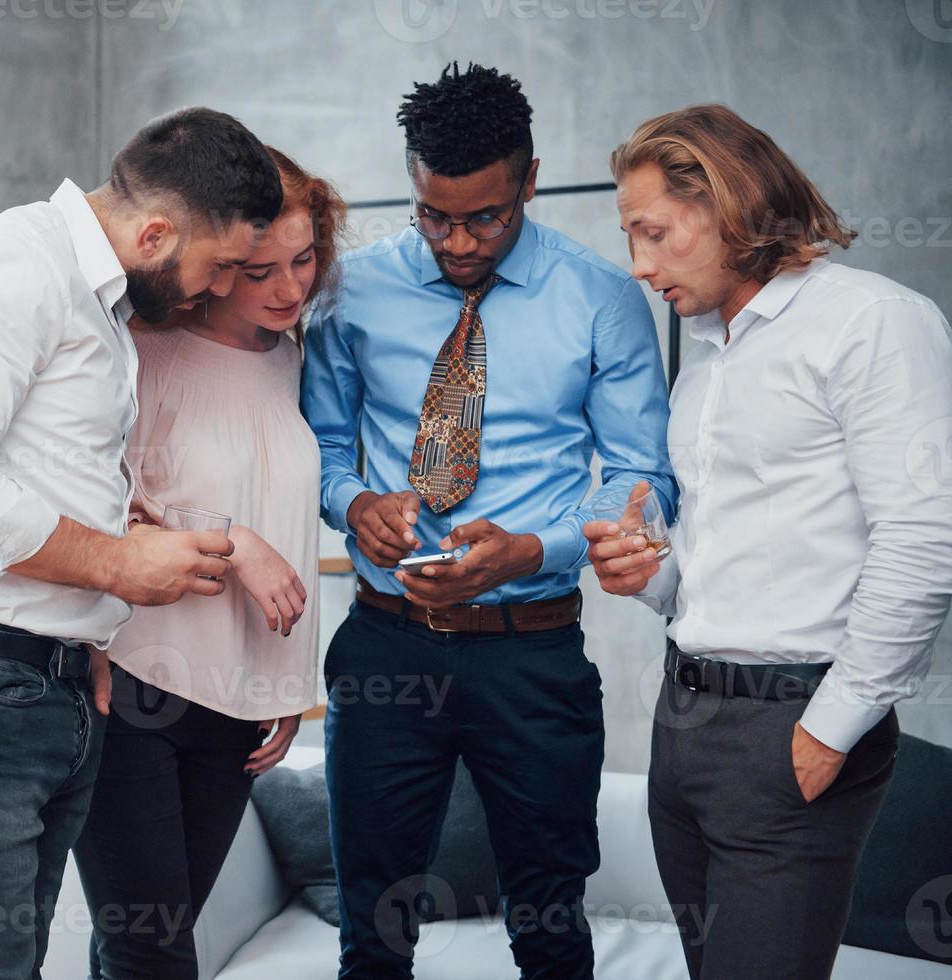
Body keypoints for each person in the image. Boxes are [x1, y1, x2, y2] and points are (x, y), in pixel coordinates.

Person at [0, 107, 284, 980]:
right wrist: (117, 566)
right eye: (221, 266)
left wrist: (82, 621)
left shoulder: (97, 299)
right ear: (158, 232)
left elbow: (45, 477)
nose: (215, 289)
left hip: (41, 678)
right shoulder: (16, 264)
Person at [302, 63, 677, 979]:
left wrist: (534, 551)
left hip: (532, 653)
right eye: (435, 215)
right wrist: (353, 503)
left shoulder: (602, 298)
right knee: (372, 932)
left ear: (531, 180)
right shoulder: (352, 294)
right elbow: (315, 444)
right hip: (386, 643)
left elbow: (640, 475)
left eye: (486, 217)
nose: (458, 242)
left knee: (551, 923)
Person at [587, 104, 952, 980]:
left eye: (654, 233)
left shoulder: (872, 322)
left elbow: (928, 535)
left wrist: (832, 728)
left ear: (726, 204)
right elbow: (716, 568)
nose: (638, 266)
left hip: (793, 726)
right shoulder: (708, 360)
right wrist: (648, 572)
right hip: (683, 727)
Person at [72, 146, 343, 980]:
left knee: (162, 931)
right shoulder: (137, 350)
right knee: (149, 946)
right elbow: (101, 506)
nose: (290, 287)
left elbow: (289, 523)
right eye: (261, 268)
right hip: (133, 676)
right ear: (219, 262)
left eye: (304, 260)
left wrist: (287, 686)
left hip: (236, 706)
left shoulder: (292, 360)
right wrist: (235, 541)